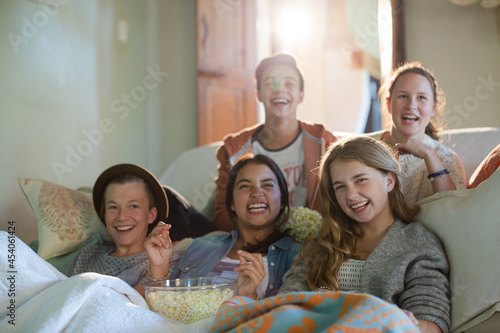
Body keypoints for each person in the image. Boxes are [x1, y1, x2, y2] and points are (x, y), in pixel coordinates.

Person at [279, 137, 451, 333]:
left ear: (389, 181)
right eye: (340, 187)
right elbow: (286, 303)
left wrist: (358, 316)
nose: (351, 195)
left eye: (361, 180)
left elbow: (431, 325)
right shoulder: (323, 243)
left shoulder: (418, 244)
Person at [141, 154, 301, 300]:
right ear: (231, 203)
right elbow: (163, 305)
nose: (256, 193)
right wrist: (159, 268)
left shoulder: (298, 256)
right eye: (245, 186)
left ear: (282, 200)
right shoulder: (199, 245)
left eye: (267, 185)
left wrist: (248, 298)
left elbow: (288, 317)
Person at [214, 52, 337, 231]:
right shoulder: (234, 150)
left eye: (289, 83)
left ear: (301, 95)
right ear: (259, 94)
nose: (280, 90)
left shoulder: (324, 142)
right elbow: (221, 216)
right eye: (271, 83)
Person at [61, 163, 214, 287]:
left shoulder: (169, 257)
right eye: (113, 207)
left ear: (151, 215)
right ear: (104, 215)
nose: (122, 217)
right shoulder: (85, 256)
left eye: (133, 206)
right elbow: (48, 293)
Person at [369, 61, 466, 204]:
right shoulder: (365, 147)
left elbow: (451, 213)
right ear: (388, 104)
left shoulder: (447, 160)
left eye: (421, 98)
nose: (411, 106)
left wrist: (430, 155)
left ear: (433, 108)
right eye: (403, 96)